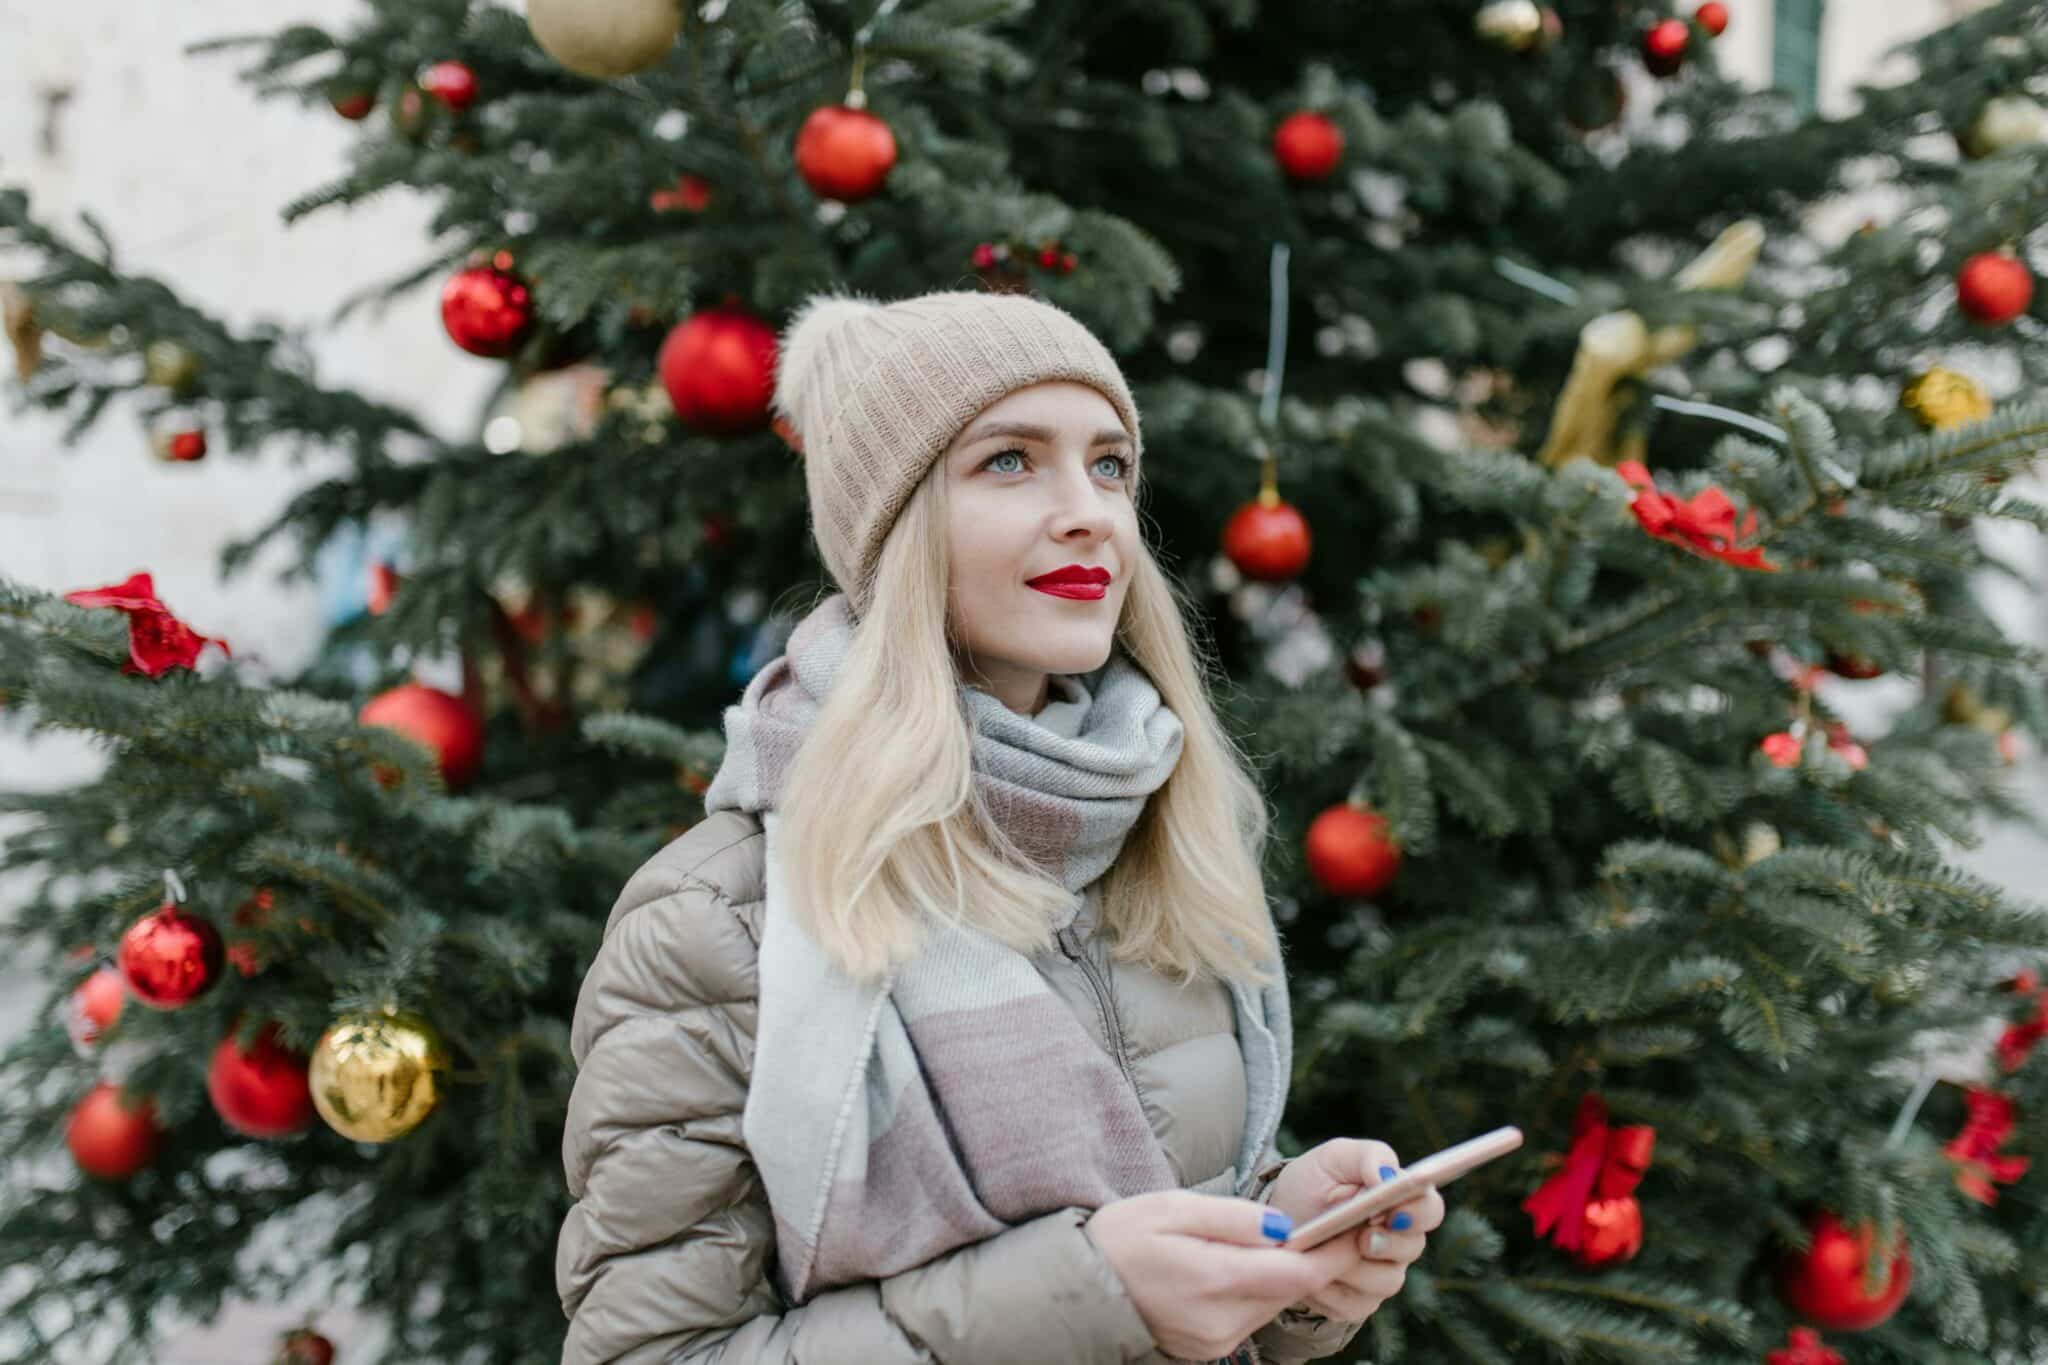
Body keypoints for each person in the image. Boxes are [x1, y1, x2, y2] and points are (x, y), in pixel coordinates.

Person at [555, 287, 1444, 1364]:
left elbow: (1150, 1218)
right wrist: (1086, 1298)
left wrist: (1287, 1238)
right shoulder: (717, 920)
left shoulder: (1148, 832)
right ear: (896, 528)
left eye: (1109, 464)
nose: (1089, 513)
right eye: (1008, 461)